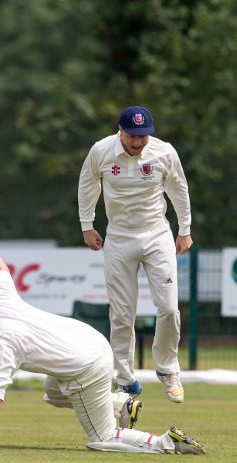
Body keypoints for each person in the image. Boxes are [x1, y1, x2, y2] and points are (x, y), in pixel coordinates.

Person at [0, 219, 206, 455]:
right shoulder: (0, 304)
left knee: (101, 438)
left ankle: (169, 442)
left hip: (84, 368)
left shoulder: (1, 345)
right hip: (93, 343)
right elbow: (0, 269)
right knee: (51, 393)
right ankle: (120, 402)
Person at [77, 106, 192, 403]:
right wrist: (87, 225)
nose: (138, 143)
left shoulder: (164, 152)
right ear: (120, 130)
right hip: (119, 237)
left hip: (156, 234)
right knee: (122, 313)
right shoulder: (101, 151)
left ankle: (168, 370)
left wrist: (184, 229)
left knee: (168, 308)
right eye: (132, 136)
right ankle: (126, 380)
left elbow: (179, 189)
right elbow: (88, 186)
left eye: (143, 136)